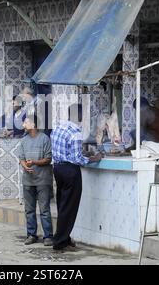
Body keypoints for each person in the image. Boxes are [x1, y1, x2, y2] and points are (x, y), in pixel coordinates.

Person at [51, 104, 102, 251]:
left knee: (62, 204)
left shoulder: (58, 128)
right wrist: (94, 158)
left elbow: (66, 152)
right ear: (79, 116)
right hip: (70, 171)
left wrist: (81, 154)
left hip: (58, 169)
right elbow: (77, 159)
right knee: (69, 207)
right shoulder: (75, 132)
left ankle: (63, 238)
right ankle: (60, 242)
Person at [18, 115, 54, 246]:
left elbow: (48, 159)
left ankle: (48, 236)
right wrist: (25, 166)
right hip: (28, 180)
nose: (23, 125)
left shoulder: (44, 139)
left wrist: (34, 162)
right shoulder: (23, 141)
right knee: (29, 210)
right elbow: (21, 158)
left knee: (44, 209)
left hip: (43, 180)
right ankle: (31, 235)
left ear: (33, 124)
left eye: (26, 122)